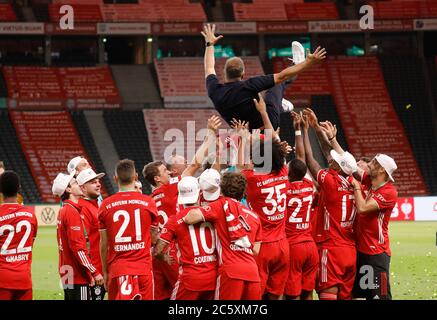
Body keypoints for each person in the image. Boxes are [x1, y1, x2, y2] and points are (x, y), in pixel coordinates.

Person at [142, 115, 221, 300]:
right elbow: (194, 165)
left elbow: (152, 232)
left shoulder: (150, 199)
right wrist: (210, 133)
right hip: (176, 250)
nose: (169, 172)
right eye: (164, 171)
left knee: (162, 295)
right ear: (157, 179)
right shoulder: (172, 187)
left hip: (159, 252)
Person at [201, 23, 326, 130]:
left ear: (224, 73)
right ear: (243, 73)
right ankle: (296, 64)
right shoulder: (249, 85)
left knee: (270, 96)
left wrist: (209, 44)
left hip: (245, 134)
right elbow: (282, 76)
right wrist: (306, 63)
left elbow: (209, 67)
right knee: (277, 85)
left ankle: (280, 105)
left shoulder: (215, 91)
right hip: (268, 125)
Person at [301, 109, 358, 300]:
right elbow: (330, 155)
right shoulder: (353, 182)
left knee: (327, 293)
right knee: (345, 295)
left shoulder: (331, 182)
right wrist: (317, 128)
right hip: (350, 250)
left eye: (334, 162)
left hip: (331, 248)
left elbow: (310, 160)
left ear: (336, 167)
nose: (331, 160)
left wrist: (305, 131)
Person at [183, 172, 262, 300]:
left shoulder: (221, 205)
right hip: (253, 273)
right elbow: (256, 250)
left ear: (221, 189)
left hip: (230, 271)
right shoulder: (254, 216)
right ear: (243, 192)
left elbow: (189, 218)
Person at [99, 159, 159, 300]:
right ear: (136, 177)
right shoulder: (148, 202)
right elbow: (154, 237)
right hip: (143, 268)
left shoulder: (106, 205)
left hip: (117, 270)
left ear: (115, 179)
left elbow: (104, 244)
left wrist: (105, 271)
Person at [239, 134, 290, 300]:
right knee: (276, 295)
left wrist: (243, 139)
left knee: (256, 295)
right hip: (283, 244)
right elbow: (277, 154)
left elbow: (241, 166)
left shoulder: (252, 178)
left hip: (262, 245)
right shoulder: (284, 172)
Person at [154, 176, 217, 300]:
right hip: (214, 276)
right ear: (199, 193)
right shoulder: (212, 214)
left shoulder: (174, 220)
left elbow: (158, 251)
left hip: (190, 279)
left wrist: (164, 257)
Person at [350, 154, 398, 300]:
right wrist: (332, 139)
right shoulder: (371, 182)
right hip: (361, 251)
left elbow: (363, 208)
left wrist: (357, 187)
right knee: (357, 293)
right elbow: (351, 165)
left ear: (382, 170)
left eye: (373, 162)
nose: (369, 164)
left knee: (379, 296)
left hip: (377, 255)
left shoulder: (389, 192)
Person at [53, 172, 104, 300]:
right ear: (69, 189)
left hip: (66, 270)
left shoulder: (64, 210)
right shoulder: (72, 211)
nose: (79, 185)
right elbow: (77, 246)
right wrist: (93, 271)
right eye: (75, 183)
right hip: (77, 274)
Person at [284, 112, 318, 300]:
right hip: (310, 245)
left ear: (288, 174)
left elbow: (299, 158)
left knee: (293, 294)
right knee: (308, 292)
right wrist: (301, 130)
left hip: (293, 246)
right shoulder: (308, 185)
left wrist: (297, 129)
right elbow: (302, 157)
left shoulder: (285, 188)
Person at [0, 171, 38, 300]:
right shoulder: (31, 215)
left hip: (2, 280)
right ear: (19, 188)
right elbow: (30, 245)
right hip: (24, 280)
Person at [76, 168, 106, 300]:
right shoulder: (82, 208)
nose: (98, 184)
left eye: (98, 181)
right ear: (82, 188)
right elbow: (83, 244)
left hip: (101, 269)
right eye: (93, 182)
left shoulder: (95, 206)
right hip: (95, 272)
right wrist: (92, 272)